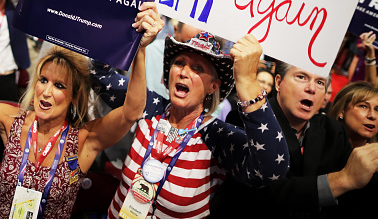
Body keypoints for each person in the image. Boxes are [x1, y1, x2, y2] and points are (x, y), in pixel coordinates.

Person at [0, 2, 163, 219]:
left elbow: (131, 112)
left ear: (73, 96)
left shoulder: (84, 139)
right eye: (43, 80)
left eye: (59, 85)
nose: (46, 92)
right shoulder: (9, 119)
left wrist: (139, 51)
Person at [92, 32, 290, 218]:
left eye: (198, 68)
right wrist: (132, 35)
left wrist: (248, 82)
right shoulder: (148, 106)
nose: (184, 72)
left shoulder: (215, 136)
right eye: (179, 63)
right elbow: (96, 71)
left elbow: (272, 169)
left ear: (214, 86)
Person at [210, 61, 378, 218]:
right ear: (278, 82)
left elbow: (357, 188)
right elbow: (264, 193)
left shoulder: (333, 130)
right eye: (301, 77)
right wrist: (343, 179)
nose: (312, 88)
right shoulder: (247, 120)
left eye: (320, 82)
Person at [328, 81, 378, 147]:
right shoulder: (318, 146)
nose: (372, 116)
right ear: (341, 110)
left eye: (377, 109)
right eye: (363, 106)